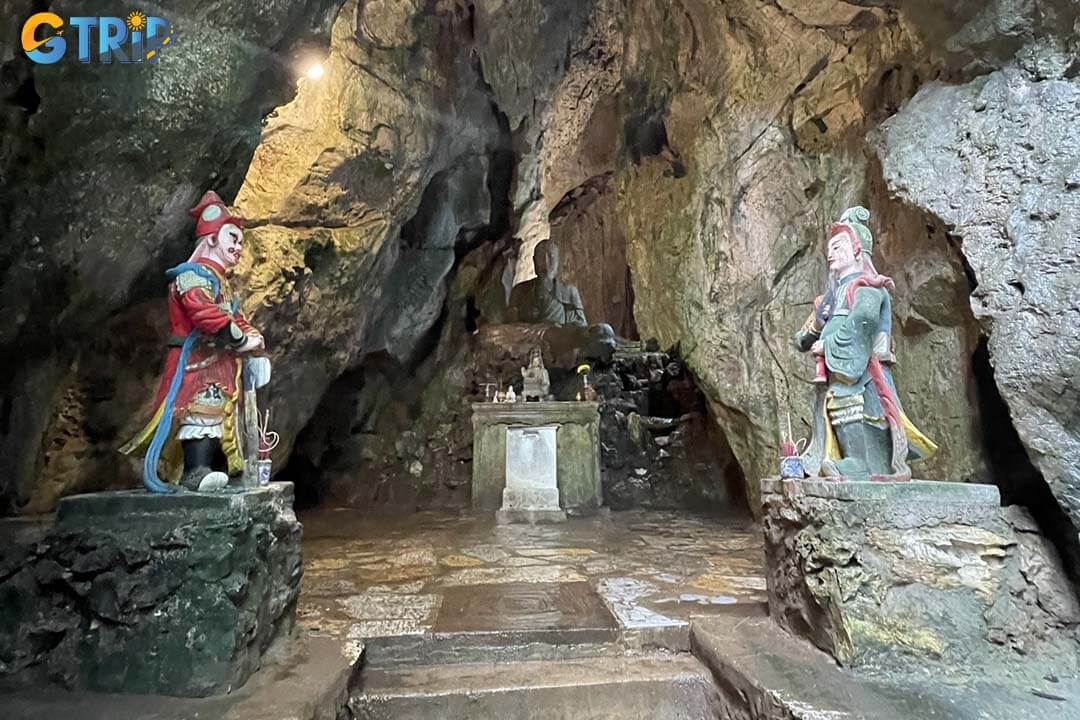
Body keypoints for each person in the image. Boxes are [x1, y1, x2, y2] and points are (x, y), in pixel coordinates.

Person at [120, 191, 266, 492]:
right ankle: (195, 472)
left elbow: (232, 315)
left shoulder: (221, 284)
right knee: (200, 414)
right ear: (212, 239)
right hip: (196, 361)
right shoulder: (191, 277)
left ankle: (211, 469)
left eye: (240, 241)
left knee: (220, 417)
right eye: (233, 239)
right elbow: (204, 313)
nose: (238, 247)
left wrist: (252, 336)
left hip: (219, 363)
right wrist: (238, 339)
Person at [793, 206, 937, 481]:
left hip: (863, 370)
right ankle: (842, 459)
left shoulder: (867, 287)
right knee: (831, 410)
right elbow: (807, 332)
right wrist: (807, 336)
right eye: (830, 248)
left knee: (847, 404)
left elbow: (865, 319)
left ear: (857, 249)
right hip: (838, 367)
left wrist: (830, 344)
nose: (830, 253)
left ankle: (858, 462)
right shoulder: (832, 296)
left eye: (838, 246)